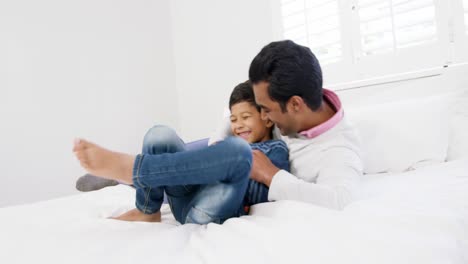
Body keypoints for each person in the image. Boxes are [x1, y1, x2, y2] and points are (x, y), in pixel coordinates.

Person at [73, 81, 289, 224]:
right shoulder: (224, 144)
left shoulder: (275, 149)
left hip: (212, 209)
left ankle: (132, 170)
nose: (239, 125)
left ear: (267, 118)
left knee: (239, 152)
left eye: (246, 117)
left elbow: (268, 194)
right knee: (159, 135)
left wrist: (240, 167)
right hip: (184, 200)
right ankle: (148, 210)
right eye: (233, 119)